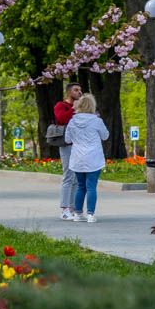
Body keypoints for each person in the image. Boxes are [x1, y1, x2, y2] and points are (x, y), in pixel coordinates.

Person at [65, 93, 109, 223]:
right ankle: (90, 214)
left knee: (81, 186)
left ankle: (78, 214)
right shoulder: (97, 121)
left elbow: (67, 140)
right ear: (92, 106)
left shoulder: (72, 121)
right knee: (91, 187)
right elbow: (105, 136)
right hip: (93, 158)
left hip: (78, 158)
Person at [53, 82, 84, 221]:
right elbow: (62, 119)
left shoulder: (81, 107)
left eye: (80, 90)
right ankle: (65, 209)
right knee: (68, 176)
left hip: (79, 145)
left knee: (77, 177)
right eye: (76, 90)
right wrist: (74, 108)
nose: (79, 92)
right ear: (69, 92)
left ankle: (73, 208)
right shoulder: (61, 106)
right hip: (67, 145)